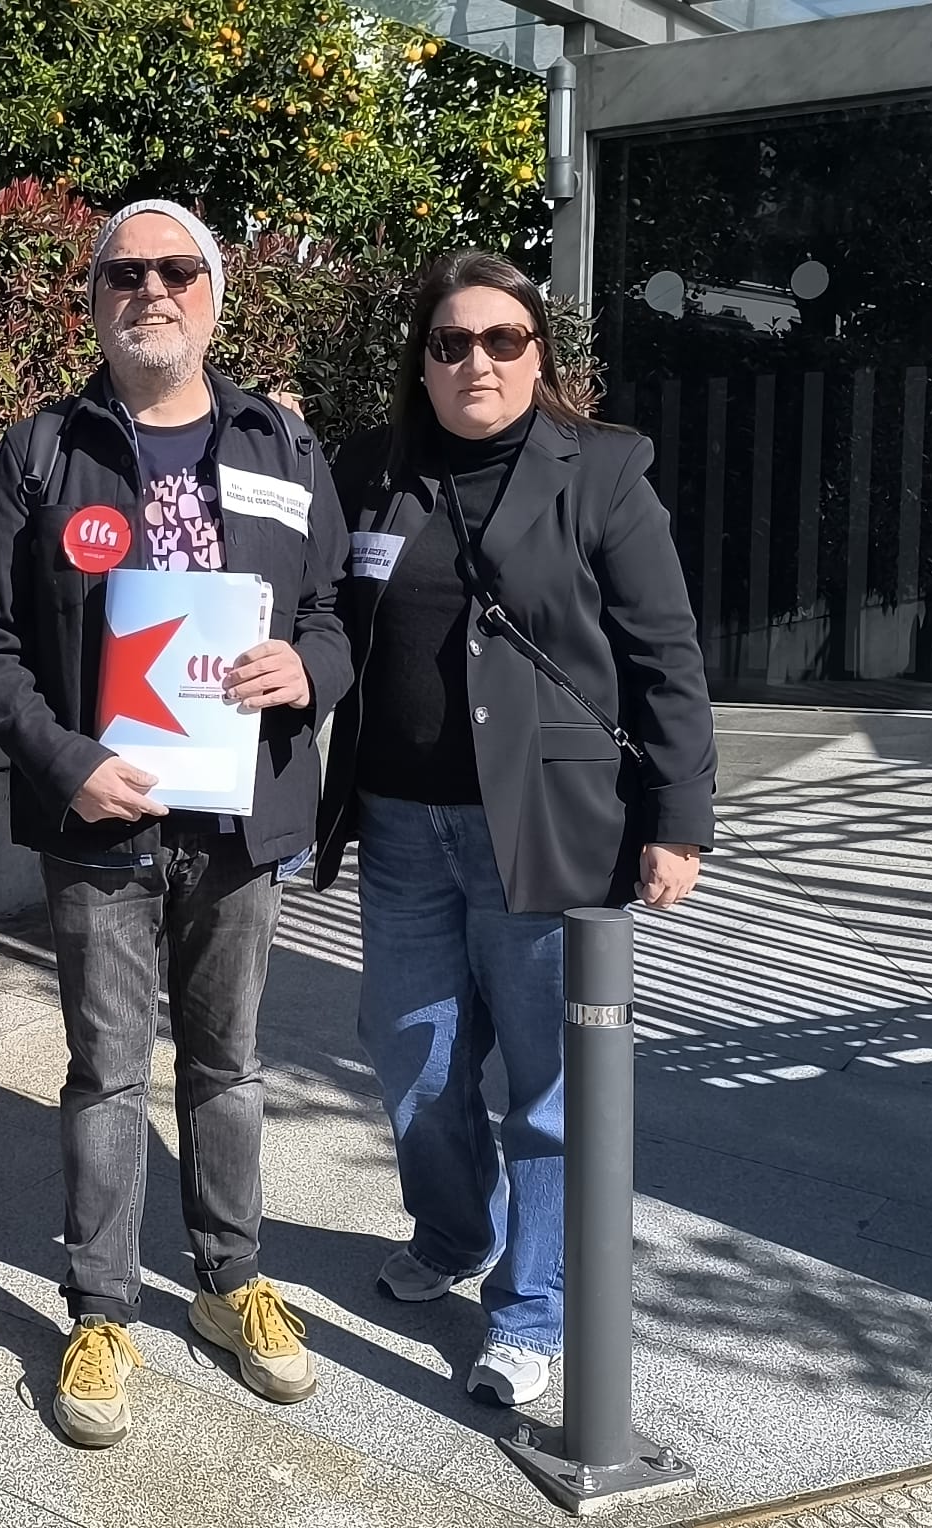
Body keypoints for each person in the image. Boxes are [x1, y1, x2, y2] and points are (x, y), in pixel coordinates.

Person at [0, 199, 353, 1448]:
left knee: (229, 1065)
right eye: (124, 273)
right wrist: (65, 762)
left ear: (214, 296)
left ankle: (231, 1282)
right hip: (101, 824)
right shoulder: (38, 452)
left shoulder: (282, 443)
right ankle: (101, 1307)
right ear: (93, 301)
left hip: (238, 823)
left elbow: (336, 610)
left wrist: (309, 671)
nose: (152, 291)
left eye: (178, 270)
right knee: (107, 1071)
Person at [314, 249, 716, 1407]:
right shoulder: (371, 466)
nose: (476, 362)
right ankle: (457, 1230)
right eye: (451, 343)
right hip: (401, 826)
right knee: (413, 1057)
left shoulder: (603, 469)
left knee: (548, 1082)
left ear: (538, 356)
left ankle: (533, 1306)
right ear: (422, 361)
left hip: (552, 823)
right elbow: (320, 613)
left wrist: (679, 819)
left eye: (503, 340)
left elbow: (665, 653)